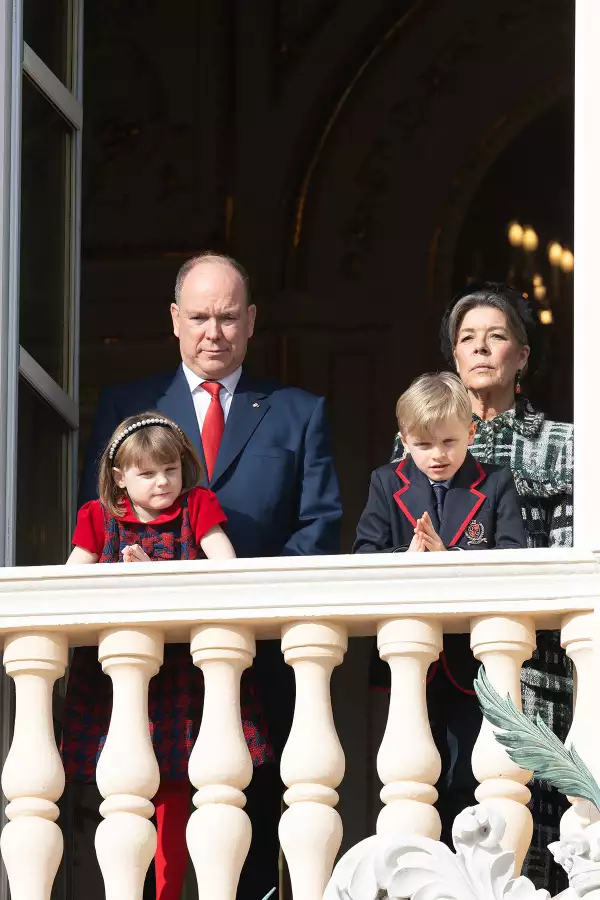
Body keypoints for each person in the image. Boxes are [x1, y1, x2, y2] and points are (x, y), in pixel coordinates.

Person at [78, 252, 342, 899]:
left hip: (264, 657)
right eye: (199, 316)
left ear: (251, 321)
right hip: (154, 662)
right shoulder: (128, 406)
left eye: (227, 317)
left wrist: (243, 600)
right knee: (147, 833)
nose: (213, 331)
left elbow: (319, 528)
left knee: (253, 825)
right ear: (174, 320)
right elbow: (100, 520)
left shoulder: (296, 411)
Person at [390, 283, 573, 892]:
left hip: (536, 659)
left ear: (522, 355)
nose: (480, 349)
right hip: (444, 662)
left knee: (536, 825)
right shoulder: (413, 445)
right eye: (467, 338)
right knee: (439, 804)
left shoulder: (563, 443)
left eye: (497, 336)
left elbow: (564, 553)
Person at [62, 413, 273, 900]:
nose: (163, 483)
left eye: (171, 470)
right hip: (120, 680)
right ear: (119, 477)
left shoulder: (197, 505)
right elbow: (71, 582)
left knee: (180, 792)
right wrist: (118, 574)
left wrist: (160, 574)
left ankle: (168, 893)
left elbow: (226, 567)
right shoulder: (97, 517)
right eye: (147, 473)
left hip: (185, 682)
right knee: (125, 794)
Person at [354, 372, 527, 834]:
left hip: (475, 660)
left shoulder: (494, 483)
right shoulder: (384, 483)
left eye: (450, 442)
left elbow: (513, 556)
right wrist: (406, 558)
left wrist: (451, 560)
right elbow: (363, 554)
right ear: (403, 438)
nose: (438, 455)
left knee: (469, 774)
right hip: (412, 657)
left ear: (471, 433)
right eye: (424, 444)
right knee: (412, 774)